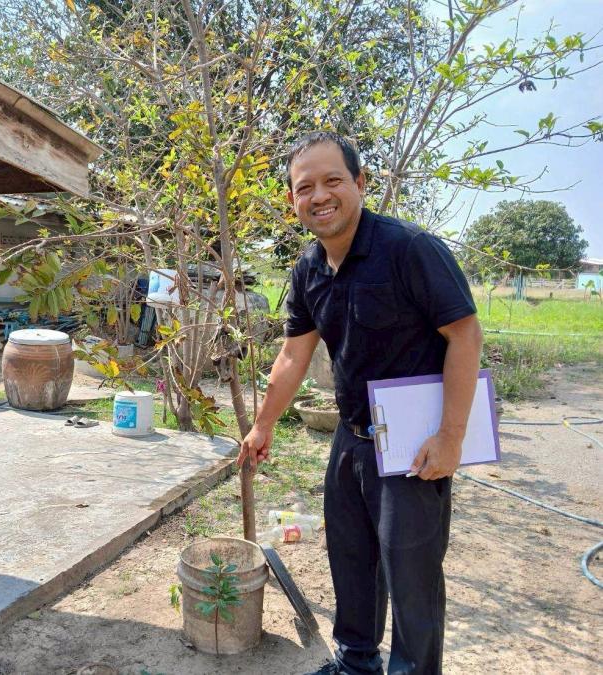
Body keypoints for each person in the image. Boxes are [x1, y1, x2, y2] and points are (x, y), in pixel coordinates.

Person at [238, 131, 482, 675]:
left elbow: (465, 335)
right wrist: (263, 424)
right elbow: (293, 355)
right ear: (292, 199)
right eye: (305, 187)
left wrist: (450, 437)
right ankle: (356, 662)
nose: (319, 196)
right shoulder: (308, 268)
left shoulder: (409, 249)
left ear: (360, 183)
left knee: (411, 573)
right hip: (350, 436)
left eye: (333, 180)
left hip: (413, 444)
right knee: (352, 558)